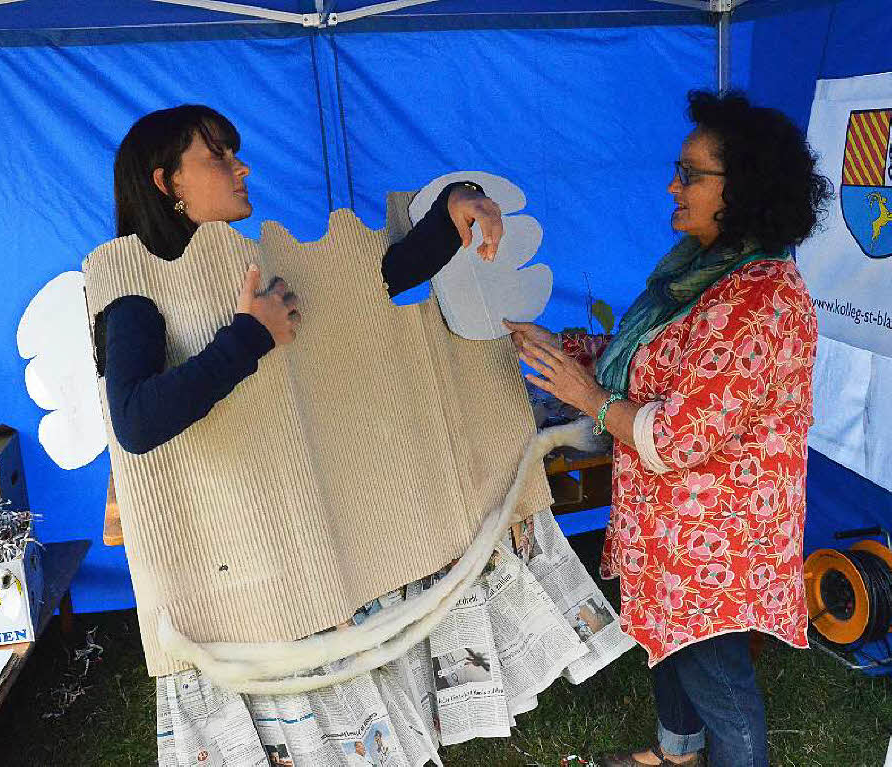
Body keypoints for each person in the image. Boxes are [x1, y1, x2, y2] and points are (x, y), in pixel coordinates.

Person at [99, 104, 592, 766]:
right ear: (165, 182)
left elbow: (380, 280)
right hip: (253, 579)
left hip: (317, 543)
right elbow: (136, 421)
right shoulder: (135, 296)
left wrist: (454, 206)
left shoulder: (260, 263)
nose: (242, 166)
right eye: (218, 156)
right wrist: (250, 336)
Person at [507, 91, 831, 767]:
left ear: (741, 188)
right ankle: (678, 753)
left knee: (717, 676)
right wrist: (559, 347)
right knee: (672, 643)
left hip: (719, 541)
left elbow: (678, 435)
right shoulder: (698, 272)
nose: (671, 185)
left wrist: (588, 398)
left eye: (690, 173)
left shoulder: (761, 296)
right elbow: (649, 360)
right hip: (674, 527)